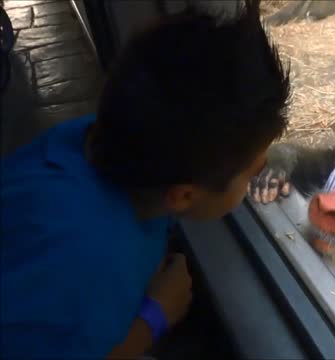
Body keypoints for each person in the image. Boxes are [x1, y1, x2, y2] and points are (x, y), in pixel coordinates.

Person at [0, 0, 290, 358]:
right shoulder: (84, 263)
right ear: (183, 196)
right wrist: (156, 316)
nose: (257, 178)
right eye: (252, 172)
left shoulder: (90, 138)